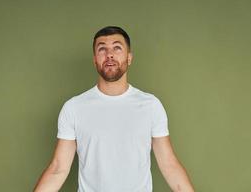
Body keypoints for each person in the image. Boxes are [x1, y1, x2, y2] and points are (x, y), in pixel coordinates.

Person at [33, 26, 194, 192]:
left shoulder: (151, 106)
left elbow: (169, 165)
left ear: (129, 57)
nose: (109, 54)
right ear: (95, 59)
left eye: (117, 48)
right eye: (102, 49)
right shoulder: (74, 108)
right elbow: (58, 169)